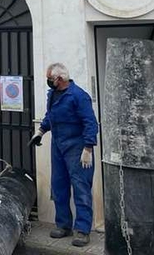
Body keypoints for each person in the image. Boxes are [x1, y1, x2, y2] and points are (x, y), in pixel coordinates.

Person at [28, 63, 98, 248]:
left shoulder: (78, 96)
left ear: (59, 79)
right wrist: (41, 131)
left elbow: (90, 122)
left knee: (81, 188)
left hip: (77, 147)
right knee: (59, 186)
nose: (48, 82)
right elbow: (51, 115)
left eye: (50, 78)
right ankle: (64, 225)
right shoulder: (53, 94)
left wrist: (88, 148)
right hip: (58, 145)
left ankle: (82, 230)